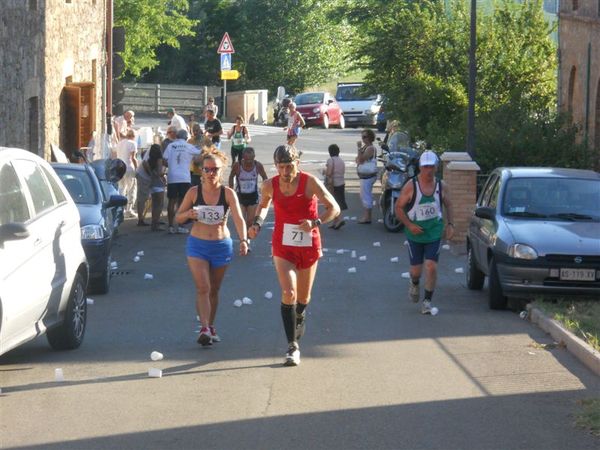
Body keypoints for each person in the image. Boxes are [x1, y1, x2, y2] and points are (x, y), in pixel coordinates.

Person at [248, 145, 340, 366]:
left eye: (289, 166)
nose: (286, 171)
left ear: (297, 164)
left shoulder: (310, 183)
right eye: (281, 167)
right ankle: (292, 346)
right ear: (276, 167)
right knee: (289, 292)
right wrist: (257, 224)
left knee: (303, 298)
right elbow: (263, 206)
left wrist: (315, 222)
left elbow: (334, 208)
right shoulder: (270, 185)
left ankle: (299, 314)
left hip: (308, 244)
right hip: (283, 245)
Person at [175, 149, 249, 346]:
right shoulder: (193, 192)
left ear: (221, 170)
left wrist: (243, 240)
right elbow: (178, 217)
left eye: (214, 169)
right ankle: (205, 327)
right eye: (206, 169)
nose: (210, 173)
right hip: (197, 245)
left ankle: (210, 326)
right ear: (201, 171)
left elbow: (239, 218)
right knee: (203, 287)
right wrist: (188, 214)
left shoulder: (228, 193)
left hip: (221, 246)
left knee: (214, 290)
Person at [394, 150, 455, 315]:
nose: (428, 170)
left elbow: (449, 205)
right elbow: (398, 207)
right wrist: (409, 224)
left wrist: (450, 224)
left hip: (434, 233)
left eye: (431, 167)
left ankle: (427, 301)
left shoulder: (441, 186)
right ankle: (414, 283)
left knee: (431, 266)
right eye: (425, 166)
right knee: (416, 271)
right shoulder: (411, 186)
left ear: (436, 168)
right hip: (415, 234)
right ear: (420, 167)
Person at [163, 129, 202, 234]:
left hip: (172, 177)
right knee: (182, 202)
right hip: (184, 177)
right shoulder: (189, 146)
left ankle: (170, 226)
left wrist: (170, 165)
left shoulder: (171, 146)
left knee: (171, 201)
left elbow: (164, 159)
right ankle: (180, 225)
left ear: (177, 137)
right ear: (186, 138)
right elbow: (200, 152)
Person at [228, 147, 268, 233]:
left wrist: (264, 190)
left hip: (253, 196)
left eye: (251, 159)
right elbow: (231, 176)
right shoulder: (237, 165)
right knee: (241, 220)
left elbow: (265, 177)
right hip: (240, 196)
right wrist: (231, 190)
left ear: (254, 157)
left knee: (250, 221)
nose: (249, 162)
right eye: (246, 159)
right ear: (243, 157)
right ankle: (243, 241)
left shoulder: (258, 165)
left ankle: (247, 240)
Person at [135, 144, 166, 230]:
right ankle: (141, 219)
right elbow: (148, 166)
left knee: (145, 198)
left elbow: (145, 163)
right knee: (143, 198)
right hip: (144, 176)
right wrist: (153, 174)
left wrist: (153, 174)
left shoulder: (149, 152)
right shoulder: (158, 157)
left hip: (142, 174)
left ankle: (146, 219)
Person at [355, 128, 378, 224]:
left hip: (368, 176)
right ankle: (367, 216)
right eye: (362, 137)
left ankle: (367, 217)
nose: (363, 139)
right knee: (364, 195)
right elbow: (358, 159)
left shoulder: (370, 148)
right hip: (364, 176)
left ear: (370, 137)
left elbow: (360, 160)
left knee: (366, 196)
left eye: (365, 137)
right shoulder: (366, 147)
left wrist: (359, 148)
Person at [115, 129, 138, 218]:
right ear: (133, 136)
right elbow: (133, 158)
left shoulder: (120, 143)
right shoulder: (132, 143)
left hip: (120, 167)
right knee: (131, 189)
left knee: (121, 188)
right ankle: (129, 209)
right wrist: (137, 168)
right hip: (129, 168)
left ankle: (120, 209)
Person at [324, 144, 348, 229]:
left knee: (331, 203)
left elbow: (329, 173)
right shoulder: (341, 161)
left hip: (333, 185)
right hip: (341, 183)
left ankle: (339, 219)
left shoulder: (330, 160)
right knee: (338, 202)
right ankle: (335, 222)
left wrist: (325, 172)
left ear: (330, 152)